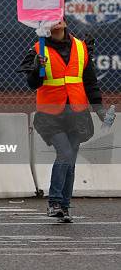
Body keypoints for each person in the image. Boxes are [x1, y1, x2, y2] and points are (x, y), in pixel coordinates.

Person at [18, 18, 106, 223]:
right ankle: (55, 202)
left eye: (59, 19)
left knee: (70, 160)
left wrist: (99, 109)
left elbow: (90, 82)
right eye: (51, 20)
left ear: (65, 22)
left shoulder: (81, 47)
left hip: (77, 112)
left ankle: (64, 207)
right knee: (65, 153)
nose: (56, 23)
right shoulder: (38, 49)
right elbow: (33, 84)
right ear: (45, 27)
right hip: (51, 114)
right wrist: (35, 69)